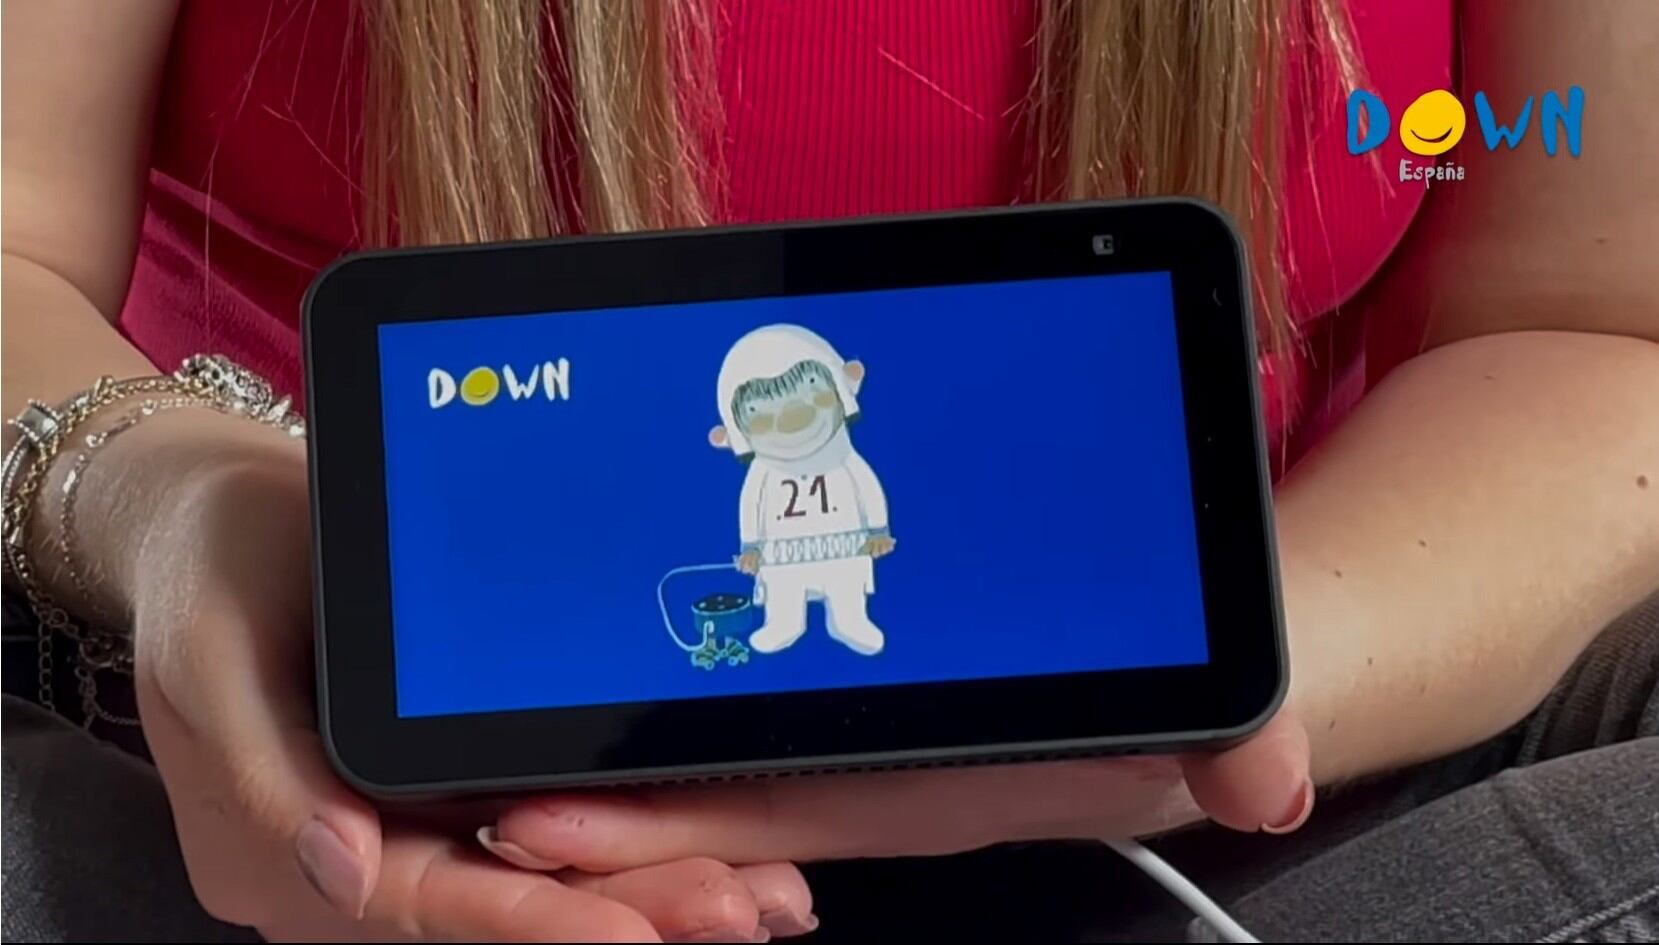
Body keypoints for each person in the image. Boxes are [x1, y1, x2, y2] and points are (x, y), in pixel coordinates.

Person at [2, 0, 1655, 941]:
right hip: (288, 760)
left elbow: (1589, 327)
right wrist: (166, 502)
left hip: (1267, 793)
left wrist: (1226, 679)